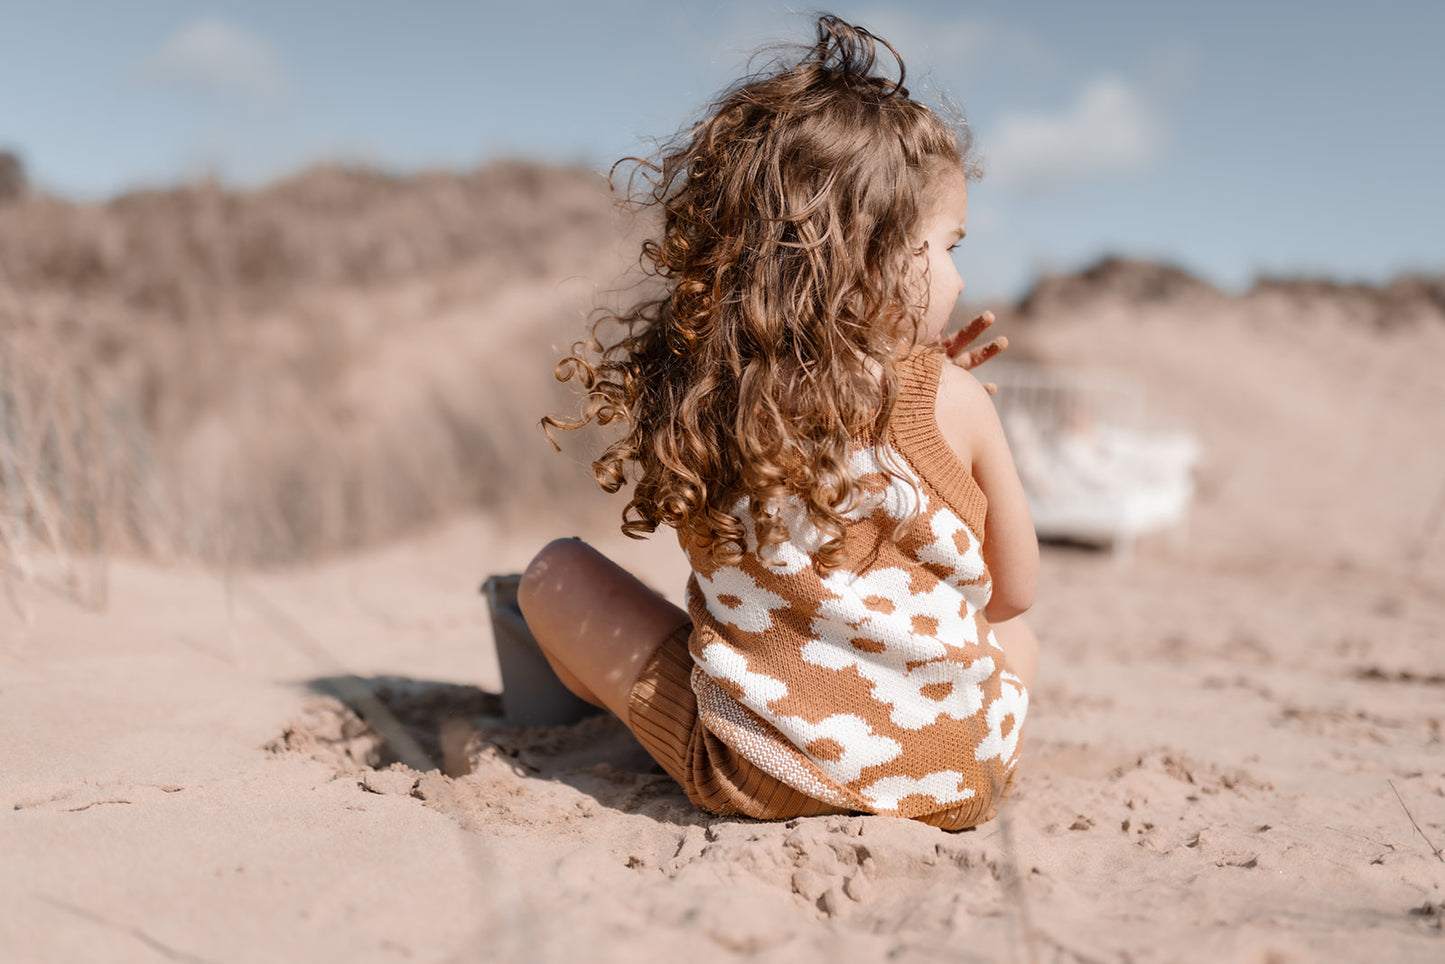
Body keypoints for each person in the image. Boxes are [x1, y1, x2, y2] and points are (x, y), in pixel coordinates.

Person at [506, 14, 1039, 831]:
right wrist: (943, 408)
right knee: (1022, 649)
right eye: (949, 246)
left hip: (762, 779)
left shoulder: (705, 390)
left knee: (554, 575)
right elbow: (1011, 595)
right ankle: (948, 754)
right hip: (957, 781)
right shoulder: (955, 401)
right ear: (877, 256)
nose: (961, 279)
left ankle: (578, 700)